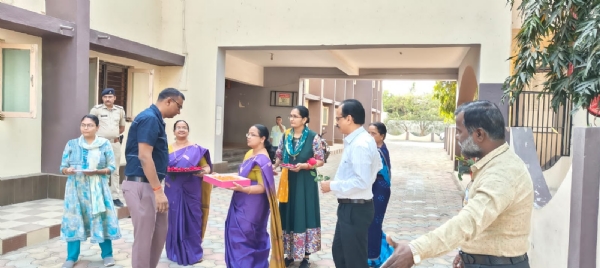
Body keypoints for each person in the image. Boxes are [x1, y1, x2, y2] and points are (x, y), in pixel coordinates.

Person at [381, 100, 533, 268]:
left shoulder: (503, 172)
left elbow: (469, 221)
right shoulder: (494, 163)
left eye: (460, 131)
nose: (457, 137)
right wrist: (468, 254)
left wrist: (415, 250)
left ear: (479, 134)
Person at [122, 88, 185, 268]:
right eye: (179, 106)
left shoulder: (156, 119)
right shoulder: (149, 118)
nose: (179, 112)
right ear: (169, 101)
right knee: (144, 239)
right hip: (141, 185)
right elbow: (144, 156)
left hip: (152, 185)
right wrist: (158, 191)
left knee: (159, 233)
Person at [320, 99, 382, 268]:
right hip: (350, 207)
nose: (336, 123)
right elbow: (377, 166)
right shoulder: (359, 140)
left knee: (354, 260)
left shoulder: (360, 144)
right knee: (340, 253)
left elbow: (361, 181)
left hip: (356, 208)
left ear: (349, 118)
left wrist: (332, 185)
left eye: (338, 119)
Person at [59, 114, 121, 268]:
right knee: (74, 220)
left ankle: (107, 255)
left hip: (98, 189)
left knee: (101, 218)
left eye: (90, 125)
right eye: (83, 125)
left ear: (97, 127)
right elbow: (62, 167)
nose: (86, 128)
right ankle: (71, 257)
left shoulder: (104, 144)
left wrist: (97, 172)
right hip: (76, 190)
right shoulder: (72, 144)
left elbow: (112, 167)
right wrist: (69, 170)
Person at [224, 124, 285, 268]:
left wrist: (244, 189)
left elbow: (262, 187)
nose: (248, 137)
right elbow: (241, 174)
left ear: (262, 138)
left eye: (252, 134)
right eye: (248, 134)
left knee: (247, 236)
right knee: (234, 232)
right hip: (240, 199)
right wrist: (221, 176)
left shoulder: (263, 159)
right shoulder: (249, 153)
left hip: (253, 204)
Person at [272, 106, 325, 268]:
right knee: (288, 212)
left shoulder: (313, 137)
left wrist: (305, 166)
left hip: (305, 182)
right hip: (288, 181)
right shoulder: (286, 135)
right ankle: (289, 253)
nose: (292, 119)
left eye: (295, 116)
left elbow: (320, 160)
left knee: (305, 212)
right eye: (291, 116)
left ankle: (305, 256)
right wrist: (274, 167)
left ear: (304, 119)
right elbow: (280, 155)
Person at [164, 120, 213, 265]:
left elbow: (206, 166)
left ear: (188, 131)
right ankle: (174, 251)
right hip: (172, 188)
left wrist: (204, 171)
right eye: (178, 127)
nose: (181, 129)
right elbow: (161, 165)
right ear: (173, 132)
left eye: (184, 127)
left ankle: (194, 253)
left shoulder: (196, 149)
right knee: (173, 218)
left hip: (192, 188)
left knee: (193, 218)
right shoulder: (167, 148)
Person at [90, 88, 127, 208]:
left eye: (110, 97)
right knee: (100, 169)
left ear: (114, 98)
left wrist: (112, 135)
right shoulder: (96, 110)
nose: (107, 99)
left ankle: (115, 197)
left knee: (115, 171)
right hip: (100, 144)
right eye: (105, 97)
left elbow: (121, 128)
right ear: (102, 98)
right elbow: (90, 125)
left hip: (115, 143)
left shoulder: (120, 110)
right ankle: (101, 196)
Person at [366, 122, 394, 268]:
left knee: (374, 223)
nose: (370, 136)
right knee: (371, 222)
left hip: (380, 189)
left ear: (382, 136)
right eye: (368, 132)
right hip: (374, 187)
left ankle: (374, 258)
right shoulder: (374, 148)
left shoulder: (379, 151)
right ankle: (380, 252)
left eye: (373, 133)